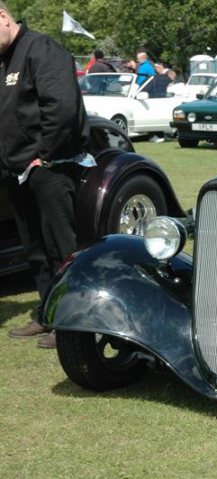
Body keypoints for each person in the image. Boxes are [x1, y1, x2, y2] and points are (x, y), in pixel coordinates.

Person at [0, 2, 95, 349]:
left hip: (49, 168)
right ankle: (48, 314)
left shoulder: (41, 48)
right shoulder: (5, 60)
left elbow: (61, 107)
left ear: (3, 17)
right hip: (16, 172)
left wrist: (46, 157)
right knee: (36, 250)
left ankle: (72, 321)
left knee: (61, 248)